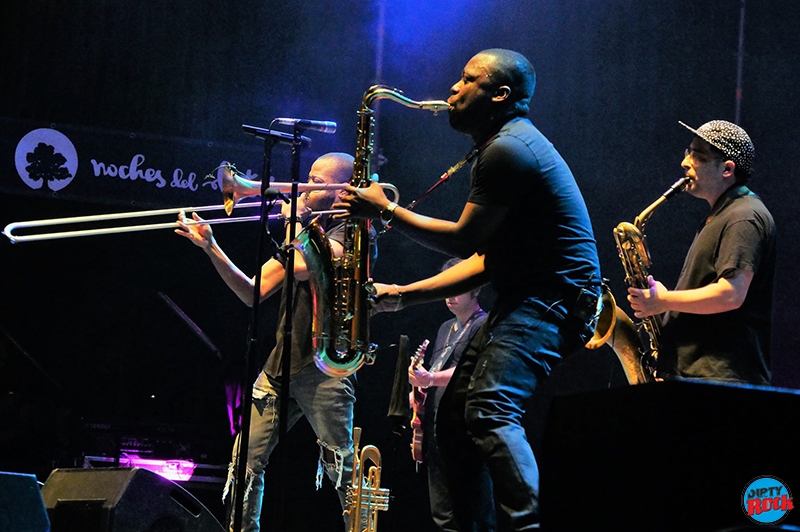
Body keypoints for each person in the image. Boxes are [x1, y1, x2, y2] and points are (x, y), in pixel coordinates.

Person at [334, 49, 602, 531]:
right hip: (529, 299)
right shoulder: (499, 146)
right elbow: (484, 260)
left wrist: (385, 210)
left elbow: (464, 240)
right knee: (455, 422)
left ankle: (529, 526)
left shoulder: (509, 150)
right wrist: (402, 294)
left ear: (499, 95)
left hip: (553, 302)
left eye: (467, 80)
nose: (453, 89)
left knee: (488, 408)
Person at [176, 152, 364, 532]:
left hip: (325, 369)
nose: (305, 186)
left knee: (341, 468)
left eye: (317, 180)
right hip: (280, 365)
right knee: (244, 462)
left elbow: (302, 268)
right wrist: (211, 246)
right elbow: (251, 291)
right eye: (308, 177)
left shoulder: (355, 233)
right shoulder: (306, 234)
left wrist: (294, 221)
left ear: (341, 190)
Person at [627, 120, 776, 384]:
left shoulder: (744, 216)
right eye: (688, 151)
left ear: (727, 169)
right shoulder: (722, 213)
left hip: (718, 380)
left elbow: (731, 294)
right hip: (698, 376)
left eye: (699, 156)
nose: (686, 162)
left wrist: (663, 301)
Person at [408, 257, 494, 532]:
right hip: (437, 429)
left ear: (476, 289)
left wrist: (430, 378)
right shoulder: (445, 328)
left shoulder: (485, 325)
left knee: (474, 512)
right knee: (443, 515)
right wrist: (419, 389)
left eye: (457, 287)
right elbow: (436, 373)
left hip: (467, 431)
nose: (449, 295)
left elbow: (470, 372)